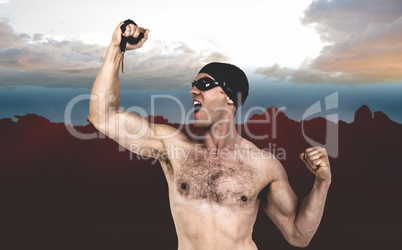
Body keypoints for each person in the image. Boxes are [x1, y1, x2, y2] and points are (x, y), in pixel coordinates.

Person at [88, 21, 332, 249]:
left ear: (229, 97)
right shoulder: (173, 147)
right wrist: (116, 49)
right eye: (193, 85)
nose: (193, 91)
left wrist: (322, 182)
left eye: (204, 85)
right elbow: (103, 117)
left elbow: (299, 235)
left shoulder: (263, 165)